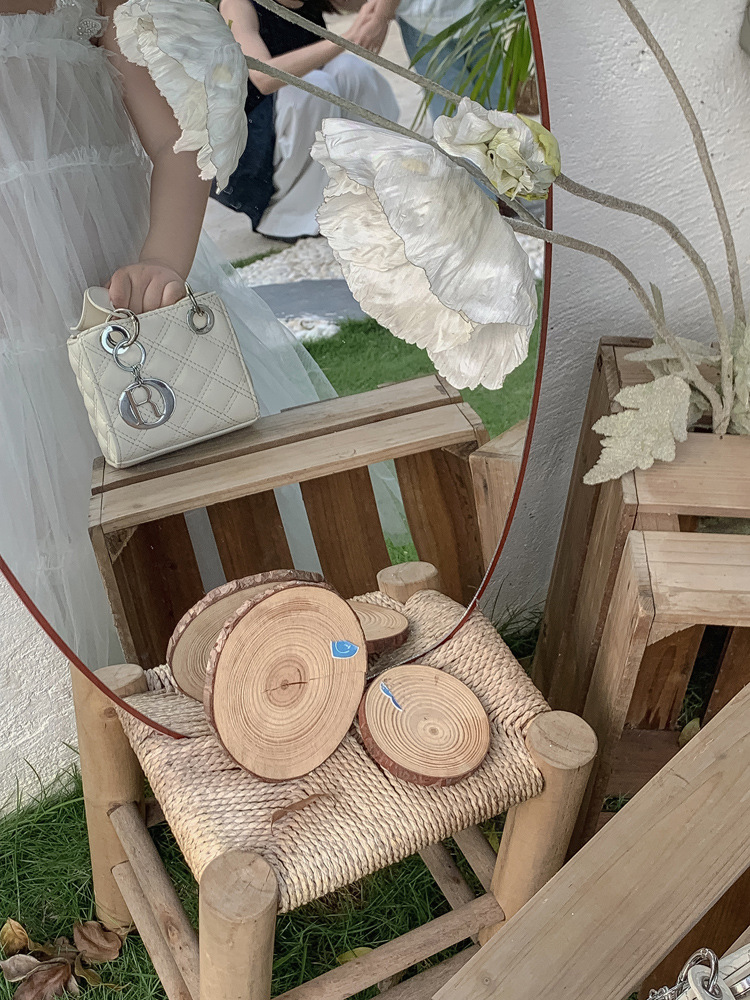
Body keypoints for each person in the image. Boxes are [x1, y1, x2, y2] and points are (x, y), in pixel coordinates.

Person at [0, 0, 360, 668]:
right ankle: (85, 686)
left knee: (183, 481)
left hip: (116, 283)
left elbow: (178, 140)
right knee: (42, 518)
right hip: (12, 323)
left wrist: (164, 257)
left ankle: (256, 661)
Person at [214, 0, 398, 239]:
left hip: (303, 115)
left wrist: (381, 15)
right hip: (257, 140)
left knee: (351, 70)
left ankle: (364, 187)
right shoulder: (236, 4)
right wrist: (347, 38)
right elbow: (264, 77)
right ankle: (291, 215)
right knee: (314, 86)